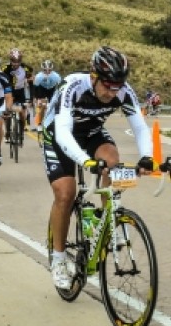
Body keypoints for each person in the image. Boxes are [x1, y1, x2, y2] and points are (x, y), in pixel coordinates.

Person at [40, 46, 154, 290]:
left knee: (112, 161)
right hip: (59, 135)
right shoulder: (73, 86)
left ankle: (110, 220)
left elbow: (141, 127)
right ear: (94, 76)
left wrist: (147, 157)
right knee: (66, 193)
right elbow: (62, 132)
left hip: (91, 132)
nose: (113, 92)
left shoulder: (123, 91)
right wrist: (85, 161)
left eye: (118, 85)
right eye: (108, 85)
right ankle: (59, 259)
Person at [2, 48, 34, 142]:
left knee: (22, 114)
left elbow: (31, 84)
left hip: (20, 92)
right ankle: (7, 131)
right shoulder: (4, 68)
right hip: (9, 92)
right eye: (13, 61)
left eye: (18, 61)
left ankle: (22, 132)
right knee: (7, 112)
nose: (15, 64)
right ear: (10, 60)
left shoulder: (26, 68)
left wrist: (31, 98)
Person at [32, 59, 61, 132]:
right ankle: (39, 124)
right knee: (42, 105)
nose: (47, 72)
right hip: (42, 89)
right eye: (45, 70)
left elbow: (60, 87)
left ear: (52, 70)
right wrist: (36, 98)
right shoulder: (39, 77)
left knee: (55, 105)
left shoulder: (56, 76)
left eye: (49, 70)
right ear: (42, 70)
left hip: (52, 89)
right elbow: (35, 89)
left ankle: (54, 122)